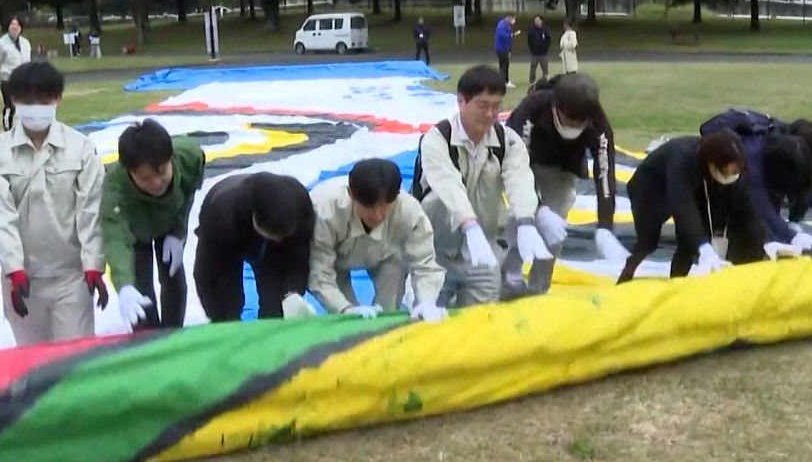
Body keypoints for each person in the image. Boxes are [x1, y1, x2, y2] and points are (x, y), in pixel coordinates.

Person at [0, 62, 107, 346]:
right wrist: (13, 268)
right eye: (27, 101)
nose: (36, 108)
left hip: (72, 278)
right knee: (33, 365)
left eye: (44, 101)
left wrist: (94, 263)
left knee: (75, 360)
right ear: (13, 100)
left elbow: (91, 210)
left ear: (58, 99)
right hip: (23, 281)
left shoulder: (81, 149)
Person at [411, 65, 548, 306]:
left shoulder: (507, 142)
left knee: (480, 321)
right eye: (483, 106)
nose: (490, 114)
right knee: (427, 323)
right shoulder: (437, 139)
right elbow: (447, 184)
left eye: (497, 107)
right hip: (435, 253)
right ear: (461, 101)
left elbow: (520, 179)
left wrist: (526, 221)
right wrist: (468, 224)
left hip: (483, 250)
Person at [503, 73, 628, 294]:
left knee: (555, 230)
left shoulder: (597, 122)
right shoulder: (532, 108)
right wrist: (538, 209)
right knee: (522, 221)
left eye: (581, 124)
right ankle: (510, 277)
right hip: (526, 163)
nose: (575, 128)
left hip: (562, 170)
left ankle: (539, 288)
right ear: (555, 108)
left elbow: (605, 170)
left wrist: (605, 226)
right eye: (570, 122)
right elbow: (515, 163)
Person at [305, 159, 447, 322]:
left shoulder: (409, 212)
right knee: (350, 318)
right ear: (351, 194)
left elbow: (425, 264)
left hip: (387, 255)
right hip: (335, 261)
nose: (378, 215)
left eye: (386, 205)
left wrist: (426, 302)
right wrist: (345, 308)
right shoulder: (325, 211)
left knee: (388, 310)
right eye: (368, 206)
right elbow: (320, 273)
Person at [703, 109, 812, 254]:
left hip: (764, 167)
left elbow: (808, 184)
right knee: (748, 223)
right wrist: (789, 234)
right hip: (718, 172)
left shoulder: (794, 147)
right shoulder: (751, 162)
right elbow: (762, 205)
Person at [617, 131, 764, 284]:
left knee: (691, 240)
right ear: (711, 163)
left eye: (734, 172)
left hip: (692, 186)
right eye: (725, 172)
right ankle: (628, 272)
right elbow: (682, 204)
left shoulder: (724, 166)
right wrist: (703, 244)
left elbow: (748, 208)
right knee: (648, 242)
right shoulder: (681, 156)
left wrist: (764, 241)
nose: (730, 177)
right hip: (650, 190)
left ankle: (677, 284)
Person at [100, 119, 206, 330]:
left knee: (173, 276)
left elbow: (188, 193)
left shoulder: (190, 157)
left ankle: (173, 332)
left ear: (170, 159)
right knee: (140, 286)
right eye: (146, 179)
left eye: (161, 172)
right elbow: (115, 238)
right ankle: (147, 337)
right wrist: (124, 285)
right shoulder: (114, 189)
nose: (157, 183)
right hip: (135, 230)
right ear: (130, 171)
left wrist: (179, 233)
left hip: (169, 222)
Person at [193, 172, 315, 322]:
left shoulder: (300, 205)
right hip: (229, 235)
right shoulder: (221, 217)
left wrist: (292, 292)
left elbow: (299, 259)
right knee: (226, 308)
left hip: (274, 236)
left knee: (278, 306)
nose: (278, 239)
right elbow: (206, 275)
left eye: (283, 235)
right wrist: (218, 316)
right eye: (274, 235)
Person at [0, 15, 32, 132]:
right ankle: (7, 128)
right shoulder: (0, 44)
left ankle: (24, 129)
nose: (14, 28)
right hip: (8, 79)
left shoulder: (25, 43)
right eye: (12, 25)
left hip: (23, 80)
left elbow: (27, 60)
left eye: (17, 25)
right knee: (10, 106)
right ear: (8, 27)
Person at [494, 14, 519, 87]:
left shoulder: (506, 25)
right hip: (501, 48)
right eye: (512, 19)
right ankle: (503, 82)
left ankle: (505, 81)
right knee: (504, 65)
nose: (513, 21)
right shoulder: (502, 25)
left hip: (504, 48)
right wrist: (511, 35)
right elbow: (503, 35)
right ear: (508, 18)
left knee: (504, 65)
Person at [526, 15, 551, 86]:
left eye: (538, 20)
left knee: (545, 67)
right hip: (534, 53)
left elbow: (548, 39)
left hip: (543, 53)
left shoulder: (545, 29)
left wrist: (546, 48)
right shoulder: (531, 30)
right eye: (535, 20)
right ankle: (532, 81)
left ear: (541, 21)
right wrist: (532, 49)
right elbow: (529, 40)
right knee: (533, 67)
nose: (536, 22)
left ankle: (546, 80)